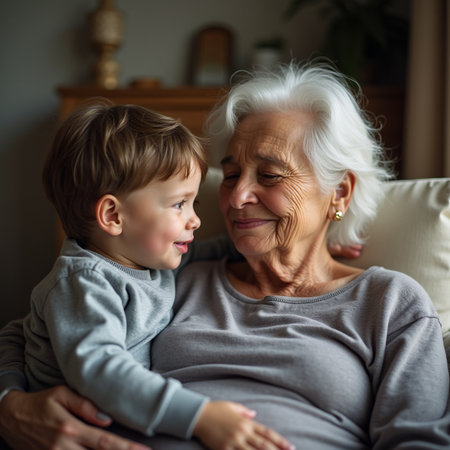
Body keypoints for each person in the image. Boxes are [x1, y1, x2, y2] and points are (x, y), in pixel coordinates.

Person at [1, 61, 449, 449]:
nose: (236, 199)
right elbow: (31, 330)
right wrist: (10, 406)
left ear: (339, 191)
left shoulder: (390, 303)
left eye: (270, 175)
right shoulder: (173, 272)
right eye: (231, 175)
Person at [0, 100, 294, 450]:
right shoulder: (85, 283)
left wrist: (271, 240)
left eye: (194, 203)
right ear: (113, 215)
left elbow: (210, 250)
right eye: (179, 204)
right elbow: (101, 371)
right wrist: (198, 416)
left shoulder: (145, 259)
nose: (194, 220)